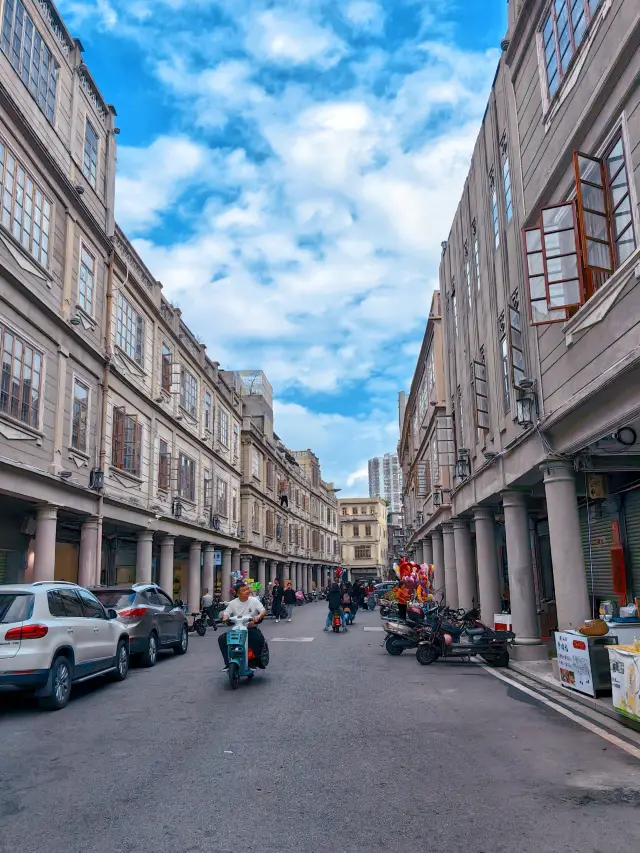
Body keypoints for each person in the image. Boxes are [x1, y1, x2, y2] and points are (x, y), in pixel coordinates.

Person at [218, 581, 267, 671]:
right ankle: (228, 662)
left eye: (247, 589)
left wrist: (258, 616)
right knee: (222, 639)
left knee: (258, 638)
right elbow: (226, 613)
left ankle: (253, 662)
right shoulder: (232, 603)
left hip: (250, 628)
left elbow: (263, 611)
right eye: (243, 590)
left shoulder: (254, 600)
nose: (247, 591)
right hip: (237, 630)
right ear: (237, 593)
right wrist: (225, 617)